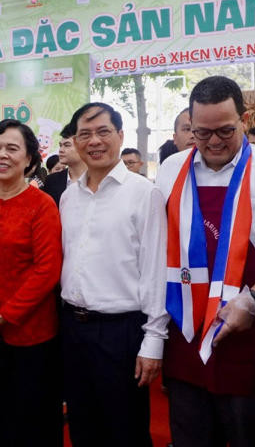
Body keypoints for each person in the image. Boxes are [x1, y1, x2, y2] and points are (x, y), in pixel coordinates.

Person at [155, 76, 255, 446]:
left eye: (225, 130)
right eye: (202, 132)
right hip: (186, 335)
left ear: (245, 119)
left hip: (252, 341)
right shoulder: (172, 169)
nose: (213, 142)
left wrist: (252, 300)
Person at [60, 102, 165, 447]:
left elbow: (155, 270)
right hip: (73, 328)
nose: (94, 141)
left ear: (120, 135)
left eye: (103, 132)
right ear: (75, 142)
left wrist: (153, 340)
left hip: (121, 332)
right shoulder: (68, 197)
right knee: (82, 427)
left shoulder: (144, 193)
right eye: (84, 134)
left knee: (125, 430)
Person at [0, 119, 63, 447]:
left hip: (31, 335)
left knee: (29, 424)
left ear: (30, 159)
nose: (1, 155)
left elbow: (47, 270)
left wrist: (5, 315)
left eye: (12, 148)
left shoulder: (42, 205)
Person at [42, 122, 86, 207]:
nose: (61, 150)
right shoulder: (51, 181)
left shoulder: (98, 180)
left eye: (67, 145)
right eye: (60, 145)